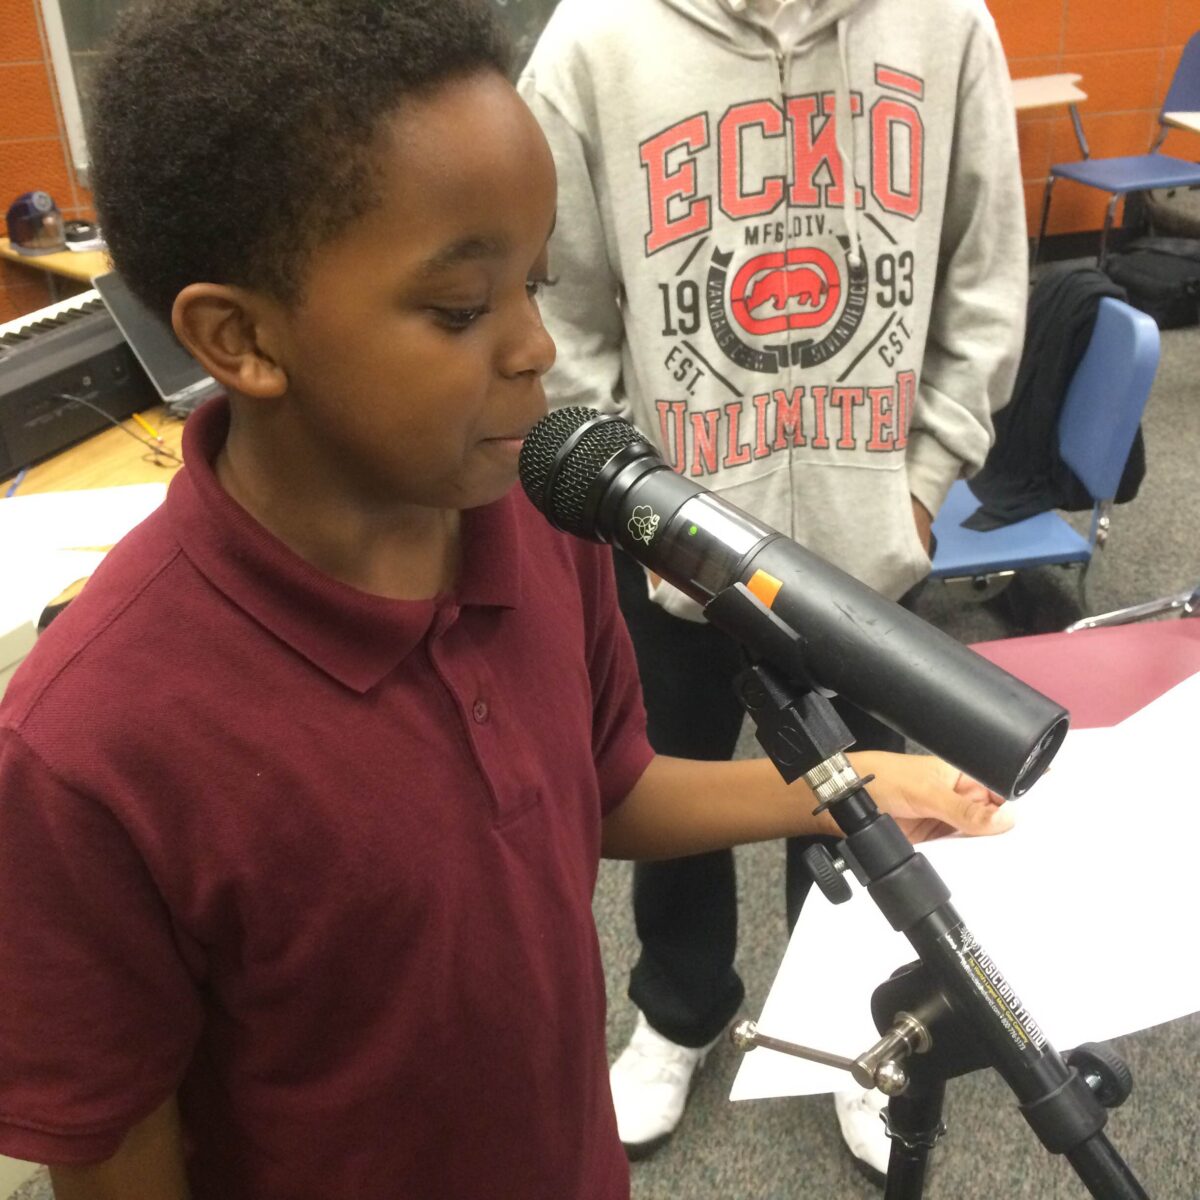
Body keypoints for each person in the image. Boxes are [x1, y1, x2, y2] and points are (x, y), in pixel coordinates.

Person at [0, 2, 1015, 1198]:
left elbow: (607, 788)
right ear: (241, 339)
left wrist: (847, 789)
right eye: (461, 309)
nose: (537, 347)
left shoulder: (538, 526)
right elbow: (114, 1149)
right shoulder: (89, 750)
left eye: (536, 284)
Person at [518, 0, 1027, 1179]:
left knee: (863, 810)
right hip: (675, 542)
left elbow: (988, 271)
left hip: (865, 556)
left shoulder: (948, 26)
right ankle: (680, 1012)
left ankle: (852, 1027)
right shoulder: (593, 41)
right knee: (666, 793)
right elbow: (557, 307)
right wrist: (625, 496)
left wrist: (925, 481)